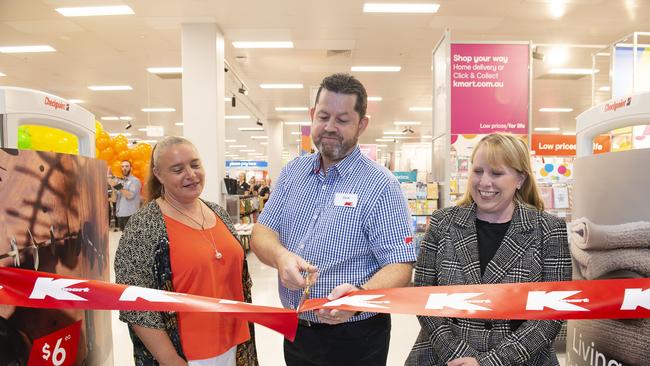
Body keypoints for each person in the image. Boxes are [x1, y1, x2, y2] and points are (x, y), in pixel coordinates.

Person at [251, 73, 416, 366]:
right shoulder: (292, 174)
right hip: (299, 329)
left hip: (357, 336)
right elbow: (262, 232)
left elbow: (401, 264)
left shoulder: (381, 185)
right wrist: (280, 257)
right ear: (312, 115)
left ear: (362, 124)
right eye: (324, 116)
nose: (330, 127)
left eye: (342, 120)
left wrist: (358, 296)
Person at [406, 133, 571, 366]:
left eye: (496, 173)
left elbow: (552, 313)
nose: (484, 182)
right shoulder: (443, 222)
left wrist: (490, 362)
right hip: (442, 356)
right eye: (478, 171)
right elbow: (423, 296)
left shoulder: (548, 229)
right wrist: (459, 355)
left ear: (520, 179)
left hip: (521, 359)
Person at [114, 136, 258, 366]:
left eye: (195, 164)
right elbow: (134, 302)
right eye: (177, 169)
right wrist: (169, 359)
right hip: (186, 356)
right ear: (159, 175)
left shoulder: (218, 212)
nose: (190, 174)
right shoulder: (145, 225)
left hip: (237, 344)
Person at [109, 160, 142, 231]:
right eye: (122, 166)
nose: (124, 168)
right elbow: (114, 199)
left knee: (132, 240)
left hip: (131, 216)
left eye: (127, 166)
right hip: (121, 215)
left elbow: (130, 195)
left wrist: (116, 185)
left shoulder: (135, 181)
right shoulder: (120, 181)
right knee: (125, 239)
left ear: (131, 168)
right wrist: (113, 187)